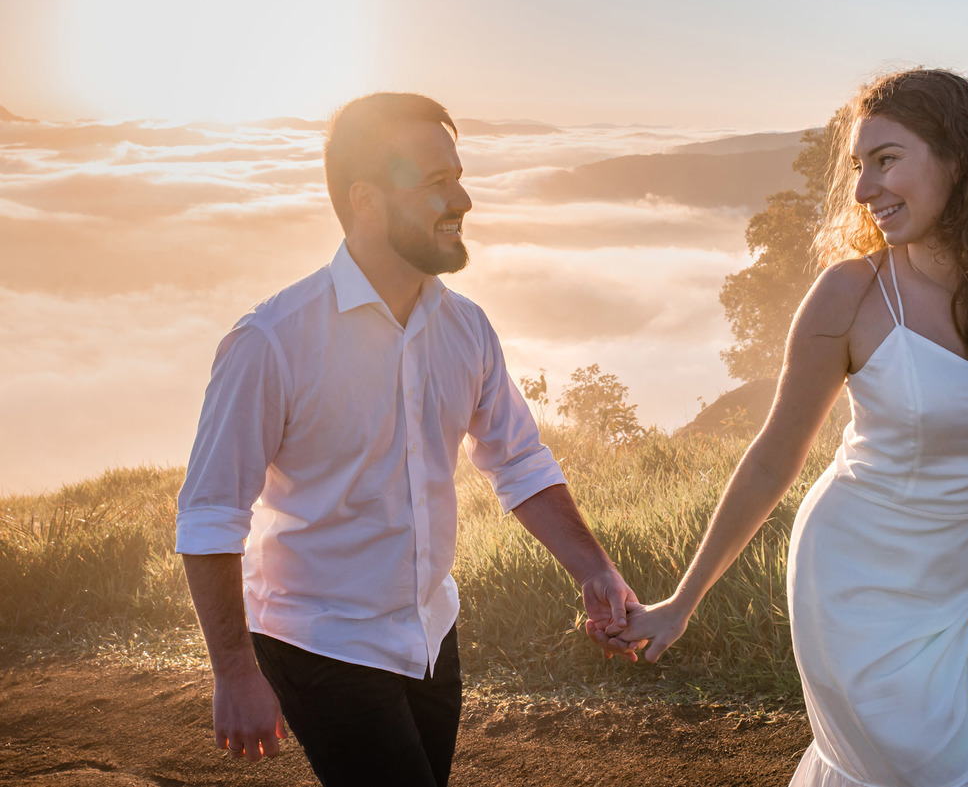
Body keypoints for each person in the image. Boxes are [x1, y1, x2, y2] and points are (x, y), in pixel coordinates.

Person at [604, 69, 968, 786]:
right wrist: (682, 602)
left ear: (957, 156)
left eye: (886, 160)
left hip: (954, 584)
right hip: (852, 582)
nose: (862, 190)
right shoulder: (850, 296)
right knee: (931, 767)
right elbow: (773, 457)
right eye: (858, 166)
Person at [175, 92, 640, 787]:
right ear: (366, 201)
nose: (463, 200)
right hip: (319, 638)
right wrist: (235, 671)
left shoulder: (467, 328)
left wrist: (594, 569)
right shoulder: (270, 342)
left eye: (458, 176)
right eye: (435, 183)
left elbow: (518, 461)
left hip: (430, 635)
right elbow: (210, 514)